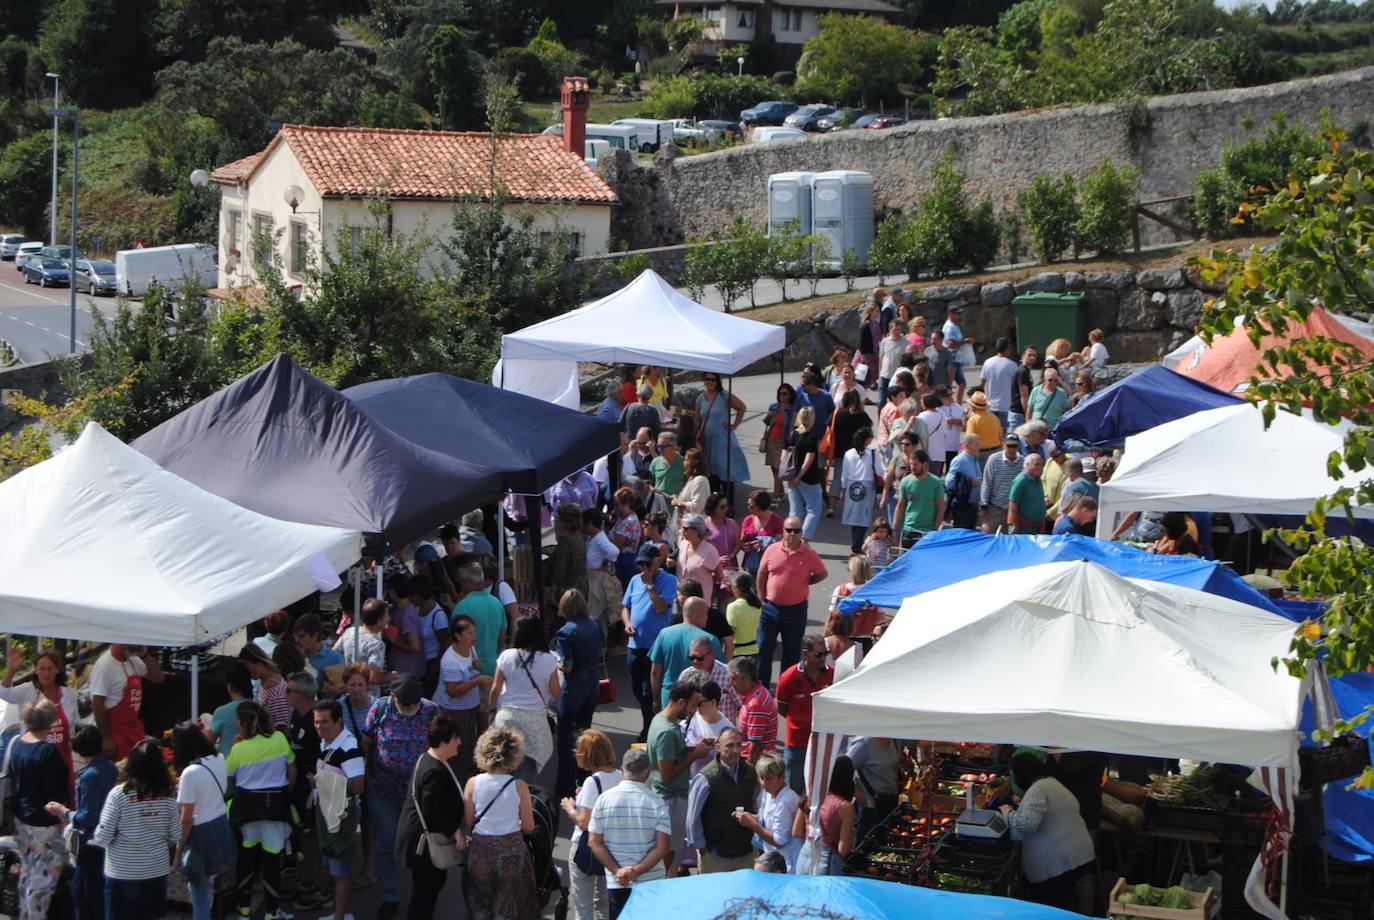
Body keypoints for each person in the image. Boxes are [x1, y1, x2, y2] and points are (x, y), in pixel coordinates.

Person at [365, 676, 439, 918]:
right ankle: (391, 895)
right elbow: (367, 742)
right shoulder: (379, 708)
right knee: (386, 843)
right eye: (404, 705)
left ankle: (419, 896)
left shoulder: (430, 710)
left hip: (418, 796)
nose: (409, 709)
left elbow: (440, 745)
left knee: (420, 847)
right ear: (393, 697)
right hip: (383, 790)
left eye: (413, 705)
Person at [90, 739, 179, 919]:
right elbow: (175, 834)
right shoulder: (168, 794)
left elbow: (103, 836)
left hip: (122, 872)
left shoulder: (119, 794)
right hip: (156, 870)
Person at [999, 752, 1096, 910]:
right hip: (1079, 855)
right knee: (1065, 903)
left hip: (1058, 863)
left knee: (1051, 906)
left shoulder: (1038, 790)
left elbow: (1027, 824)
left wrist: (1008, 813)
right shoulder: (1052, 783)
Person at [225, 701, 294, 920]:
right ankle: (271, 913)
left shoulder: (238, 749)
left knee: (246, 860)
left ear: (242, 724)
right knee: (272, 863)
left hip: (246, 812)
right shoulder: (280, 739)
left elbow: (230, 778)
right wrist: (283, 793)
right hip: (275, 810)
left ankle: (244, 909)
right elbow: (292, 772)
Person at [587, 747, 671, 920]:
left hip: (617, 883)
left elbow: (594, 842)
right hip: (652, 881)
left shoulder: (604, 799)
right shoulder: (657, 802)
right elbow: (663, 846)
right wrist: (635, 871)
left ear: (622, 770)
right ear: (647, 773)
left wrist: (618, 871)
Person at [463, 727, 538, 920]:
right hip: (511, 851)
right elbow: (528, 827)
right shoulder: (519, 786)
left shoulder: (472, 783)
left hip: (480, 850)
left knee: (479, 906)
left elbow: (469, 820)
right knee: (507, 908)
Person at [397, 715, 465, 920]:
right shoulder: (434, 770)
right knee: (425, 894)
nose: (460, 742)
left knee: (427, 891)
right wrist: (455, 830)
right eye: (456, 738)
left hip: (420, 842)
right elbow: (430, 812)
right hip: (423, 846)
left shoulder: (429, 759)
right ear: (445, 740)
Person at [45, 723, 114, 920]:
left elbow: (86, 817)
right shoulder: (109, 767)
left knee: (84, 895)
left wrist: (63, 811)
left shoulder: (89, 777)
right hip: (106, 840)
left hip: (90, 843)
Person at [9, 699, 70, 920]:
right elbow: (55, 791)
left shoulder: (18, 742)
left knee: (27, 872)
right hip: (44, 823)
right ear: (50, 723)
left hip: (22, 818)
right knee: (42, 881)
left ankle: (25, 914)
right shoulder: (47, 752)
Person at [170, 722, 234, 920]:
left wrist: (177, 851)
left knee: (198, 888)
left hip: (200, 833)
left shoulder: (190, 773)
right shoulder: (219, 757)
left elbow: (187, 818)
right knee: (208, 885)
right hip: (221, 824)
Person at [491, 614, 562, 786]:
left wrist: (490, 711)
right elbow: (556, 693)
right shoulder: (548, 659)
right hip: (534, 722)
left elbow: (495, 689)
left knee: (502, 766)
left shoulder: (506, 655)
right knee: (526, 773)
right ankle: (523, 806)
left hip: (506, 718)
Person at [755, 515, 827, 685]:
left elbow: (822, 574)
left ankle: (785, 686)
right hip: (770, 608)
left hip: (795, 610)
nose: (792, 534)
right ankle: (762, 685)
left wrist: (806, 581)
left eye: (796, 530)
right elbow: (762, 573)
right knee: (764, 647)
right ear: (783, 531)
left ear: (801, 532)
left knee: (791, 652)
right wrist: (760, 596)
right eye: (789, 530)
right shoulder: (772, 549)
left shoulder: (809, 554)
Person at [648, 680, 709, 876]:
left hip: (668, 797)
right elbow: (667, 774)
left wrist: (692, 748)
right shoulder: (667, 731)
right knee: (671, 855)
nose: (693, 711)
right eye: (692, 706)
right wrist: (695, 756)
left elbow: (671, 754)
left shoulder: (661, 720)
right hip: (671, 799)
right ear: (681, 702)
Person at [312, 700, 365, 920]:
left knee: (340, 873)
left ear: (338, 721)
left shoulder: (349, 748)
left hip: (341, 817)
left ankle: (341, 917)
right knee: (333, 870)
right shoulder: (325, 742)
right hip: (326, 812)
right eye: (316, 722)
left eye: (324, 721)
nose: (319, 726)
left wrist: (322, 782)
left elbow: (358, 786)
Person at [561, 729, 620, 920]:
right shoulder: (621, 776)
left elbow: (583, 822)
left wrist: (570, 807)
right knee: (604, 901)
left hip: (585, 848)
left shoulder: (591, 782)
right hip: (611, 847)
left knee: (583, 906)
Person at [1, 646, 79, 789]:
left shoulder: (69, 694)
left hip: (62, 757)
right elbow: (3, 692)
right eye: (42, 669)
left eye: (50, 668)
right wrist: (11, 670)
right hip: (34, 759)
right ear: (36, 670)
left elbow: (74, 725)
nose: (46, 673)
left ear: (57, 669)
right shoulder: (27, 691)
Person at [622, 543, 677, 743]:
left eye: (647, 564)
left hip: (656, 646)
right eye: (640, 564)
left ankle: (650, 729)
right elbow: (625, 607)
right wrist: (627, 623)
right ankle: (650, 724)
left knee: (649, 691)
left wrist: (650, 586)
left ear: (657, 562)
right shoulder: (634, 580)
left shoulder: (668, 580)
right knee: (637, 689)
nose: (643, 568)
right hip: (635, 645)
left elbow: (661, 607)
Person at [683, 727, 758, 873]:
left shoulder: (750, 772)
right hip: (715, 857)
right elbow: (693, 818)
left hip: (746, 854)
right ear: (718, 748)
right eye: (730, 745)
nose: (736, 750)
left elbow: (757, 805)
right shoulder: (706, 778)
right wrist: (702, 849)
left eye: (738, 744)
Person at [284, 672, 328, 912]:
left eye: (289, 690)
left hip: (313, 790)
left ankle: (319, 890)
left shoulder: (318, 721)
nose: (285, 694)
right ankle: (305, 881)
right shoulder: (295, 715)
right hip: (297, 789)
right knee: (303, 837)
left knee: (314, 839)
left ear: (301, 694)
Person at [556, 590, 605, 799]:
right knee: (585, 732)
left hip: (574, 686)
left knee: (566, 734)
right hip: (592, 683)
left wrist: (557, 663)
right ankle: (585, 777)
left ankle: (566, 785)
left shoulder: (565, 632)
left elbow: (567, 666)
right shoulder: (593, 624)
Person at [774, 633, 833, 794]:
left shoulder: (832, 675)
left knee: (818, 788)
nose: (823, 659)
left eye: (825, 654)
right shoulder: (788, 677)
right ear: (806, 653)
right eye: (818, 655)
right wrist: (799, 721)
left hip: (822, 740)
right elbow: (781, 708)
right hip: (797, 743)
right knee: (792, 789)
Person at [433, 613, 489, 780]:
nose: (474, 636)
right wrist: (478, 680)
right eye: (470, 633)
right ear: (458, 636)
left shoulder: (470, 649)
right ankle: (455, 781)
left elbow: (471, 670)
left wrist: (475, 667)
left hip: (470, 706)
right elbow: (453, 691)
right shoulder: (450, 661)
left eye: (474, 632)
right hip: (454, 710)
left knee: (467, 746)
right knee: (455, 749)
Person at [89, 643, 165, 761]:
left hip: (133, 729)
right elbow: (97, 704)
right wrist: (107, 738)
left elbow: (158, 677)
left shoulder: (133, 660)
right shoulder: (104, 666)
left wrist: (145, 655)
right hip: (114, 732)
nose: (135, 645)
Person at [651, 596, 722, 708]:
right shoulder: (710, 640)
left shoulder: (664, 634)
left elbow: (655, 671)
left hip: (669, 699)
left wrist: (656, 699)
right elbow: (719, 673)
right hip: (698, 702)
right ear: (699, 614)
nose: (707, 617)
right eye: (706, 613)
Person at [734, 753, 801, 872]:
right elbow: (767, 820)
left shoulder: (786, 801)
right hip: (773, 860)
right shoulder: (769, 792)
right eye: (761, 778)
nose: (764, 783)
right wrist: (752, 818)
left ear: (781, 777)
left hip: (785, 866)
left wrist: (753, 825)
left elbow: (779, 841)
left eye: (769, 778)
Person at [794, 755, 856, 875]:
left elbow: (796, 831)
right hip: (826, 861)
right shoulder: (845, 807)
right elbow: (844, 850)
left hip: (804, 855)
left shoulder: (810, 796)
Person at [696, 372, 749, 496]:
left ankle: (729, 506)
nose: (709, 382)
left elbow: (742, 407)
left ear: (717, 381)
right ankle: (716, 504)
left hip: (722, 440)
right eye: (707, 379)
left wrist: (735, 425)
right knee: (711, 473)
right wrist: (694, 436)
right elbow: (697, 419)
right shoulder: (700, 398)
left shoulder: (724, 396)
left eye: (712, 379)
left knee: (725, 472)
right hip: (707, 441)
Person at [676, 638, 742, 725]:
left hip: (723, 732)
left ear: (712, 654)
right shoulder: (685, 676)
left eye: (700, 658)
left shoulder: (728, 675)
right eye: (691, 658)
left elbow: (742, 705)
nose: (695, 661)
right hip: (696, 734)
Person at [840, 426, 884, 554]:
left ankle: (856, 545)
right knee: (864, 518)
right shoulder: (872, 454)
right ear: (868, 439)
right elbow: (880, 471)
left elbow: (844, 473)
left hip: (851, 486)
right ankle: (857, 547)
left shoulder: (848, 453)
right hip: (867, 487)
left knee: (854, 518)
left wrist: (843, 489)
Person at [848, 736, 900, 844]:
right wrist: (863, 798)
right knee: (866, 848)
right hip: (870, 809)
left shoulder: (894, 739)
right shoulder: (864, 743)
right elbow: (840, 770)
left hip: (889, 803)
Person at [333, 597, 390, 691]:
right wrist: (392, 676)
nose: (388, 619)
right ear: (379, 621)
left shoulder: (350, 631)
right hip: (366, 697)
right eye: (387, 616)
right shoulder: (376, 644)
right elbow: (374, 678)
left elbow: (333, 655)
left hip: (348, 691)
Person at [893, 448, 945, 548]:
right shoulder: (905, 482)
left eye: (916, 464)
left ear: (924, 465)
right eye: (911, 464)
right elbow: (900, 507)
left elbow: (940, 508)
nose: (912, 467)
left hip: (928, 532)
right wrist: (894, 529)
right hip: (908, 530)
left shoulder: (935, 483)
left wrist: (936, 530)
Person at [730, 657, 777, 765]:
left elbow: (755, 746)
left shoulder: (756, 705)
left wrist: (748, 775)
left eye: (734, 679)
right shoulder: (755, 694)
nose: (731, 683)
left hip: (756, 763)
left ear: (746, 679)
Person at [683, 679, 734, 778]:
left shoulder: (728, 731)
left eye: (700, 703)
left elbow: (730, 764)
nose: (696, 707)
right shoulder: (692, 718)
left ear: (713, 703)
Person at [980, 434, 1024, 533]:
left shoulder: (1023, 462)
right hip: (996, 508)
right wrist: (983, 506)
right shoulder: (994, 459)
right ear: (1003, 445)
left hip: (1016, 510)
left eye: (1015, 446)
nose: (1012, 449)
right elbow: (987, 483)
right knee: (989, 537)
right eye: (1009, 446)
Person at [208, 662, 253, 755]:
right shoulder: (260, 708)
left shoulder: (221, 712)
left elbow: (207, 745)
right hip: (256, 763)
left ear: (229, 686)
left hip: (229, 764)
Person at [945, 432, 984, 529]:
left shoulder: (974, 459)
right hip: (962, 506)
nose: (979, 447)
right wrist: (970, 483)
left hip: (973, 506)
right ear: (967, 445)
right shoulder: (960, 460)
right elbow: (949, 484)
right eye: (976, 444)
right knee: (961, 536)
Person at [740, 490, 783, 576]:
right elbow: (741, 541)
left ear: (761, 507)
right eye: (748, 505)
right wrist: (744, 547)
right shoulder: (748, 520)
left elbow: (780, 545)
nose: (748, 507)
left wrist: (765, 544)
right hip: (750, 565)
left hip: (769, 566)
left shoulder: (776, 521)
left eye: (751, 506)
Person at [294, 612, 347, 679]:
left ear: (315, 635)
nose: (296, 640)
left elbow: (341, 687)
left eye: (301, 636)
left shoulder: (334, 659)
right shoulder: (295, 656)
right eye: (295, 636)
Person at [980, 338, 1019, 427]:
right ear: (1006, 348)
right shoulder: (1012, 365)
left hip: (991, 406)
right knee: (1005, 436)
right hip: (1006, 406)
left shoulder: (987, 362)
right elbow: (1017, 387)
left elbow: (982, 384)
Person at [724, 571, 762, 660]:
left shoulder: (733, 607)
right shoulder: (757, 605)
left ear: (736, 588)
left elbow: (730, 634)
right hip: (753, 651)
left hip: (737, 653)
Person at [1008, 453, 1048, 534]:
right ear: (1027, 465)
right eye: (1037, 464)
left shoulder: (1037, 479)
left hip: (1037, 528)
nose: (1040, 468)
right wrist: (1015, 526)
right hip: (1024, 529)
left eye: (1041, 465)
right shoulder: (1020, 481)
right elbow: (1012, 504)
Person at [876, 319, 907, 408]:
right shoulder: (884, 342)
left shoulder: (905, 342)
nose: (897, 332)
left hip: (897, 377)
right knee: (881, 401)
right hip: (884, 375)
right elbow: (881, 358)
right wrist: (879, 374)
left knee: (896, 402)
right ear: (890, 330)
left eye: (899, 329)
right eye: (895, 329)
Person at [942, 305, 969, 403]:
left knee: (962, 383)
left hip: (956, 359)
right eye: (957, 314)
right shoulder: (949, 327)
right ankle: (947, 405)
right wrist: (964, 342)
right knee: (948, 385)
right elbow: (951, 344)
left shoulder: (955, 326)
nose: (959, 316)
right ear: (950, 314)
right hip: (951, 360)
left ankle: (958, 405)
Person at [1008, 345, 1038, 430]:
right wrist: (1027, 415)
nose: (1032, 358)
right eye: (1029, 355)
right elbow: (1024, 395)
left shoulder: (1026, 371)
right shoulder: (1022, 372)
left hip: (1019, 414)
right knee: (1014, 441)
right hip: (1018, 414)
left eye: (1034, 355)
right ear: (1023, 356)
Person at [964, 391, 1003, 456]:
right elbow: (1000, 437)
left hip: (981, 454)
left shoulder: (973, 420)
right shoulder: (994, 417)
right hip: (997, 451)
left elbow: (969, 440)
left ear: (973, 406)